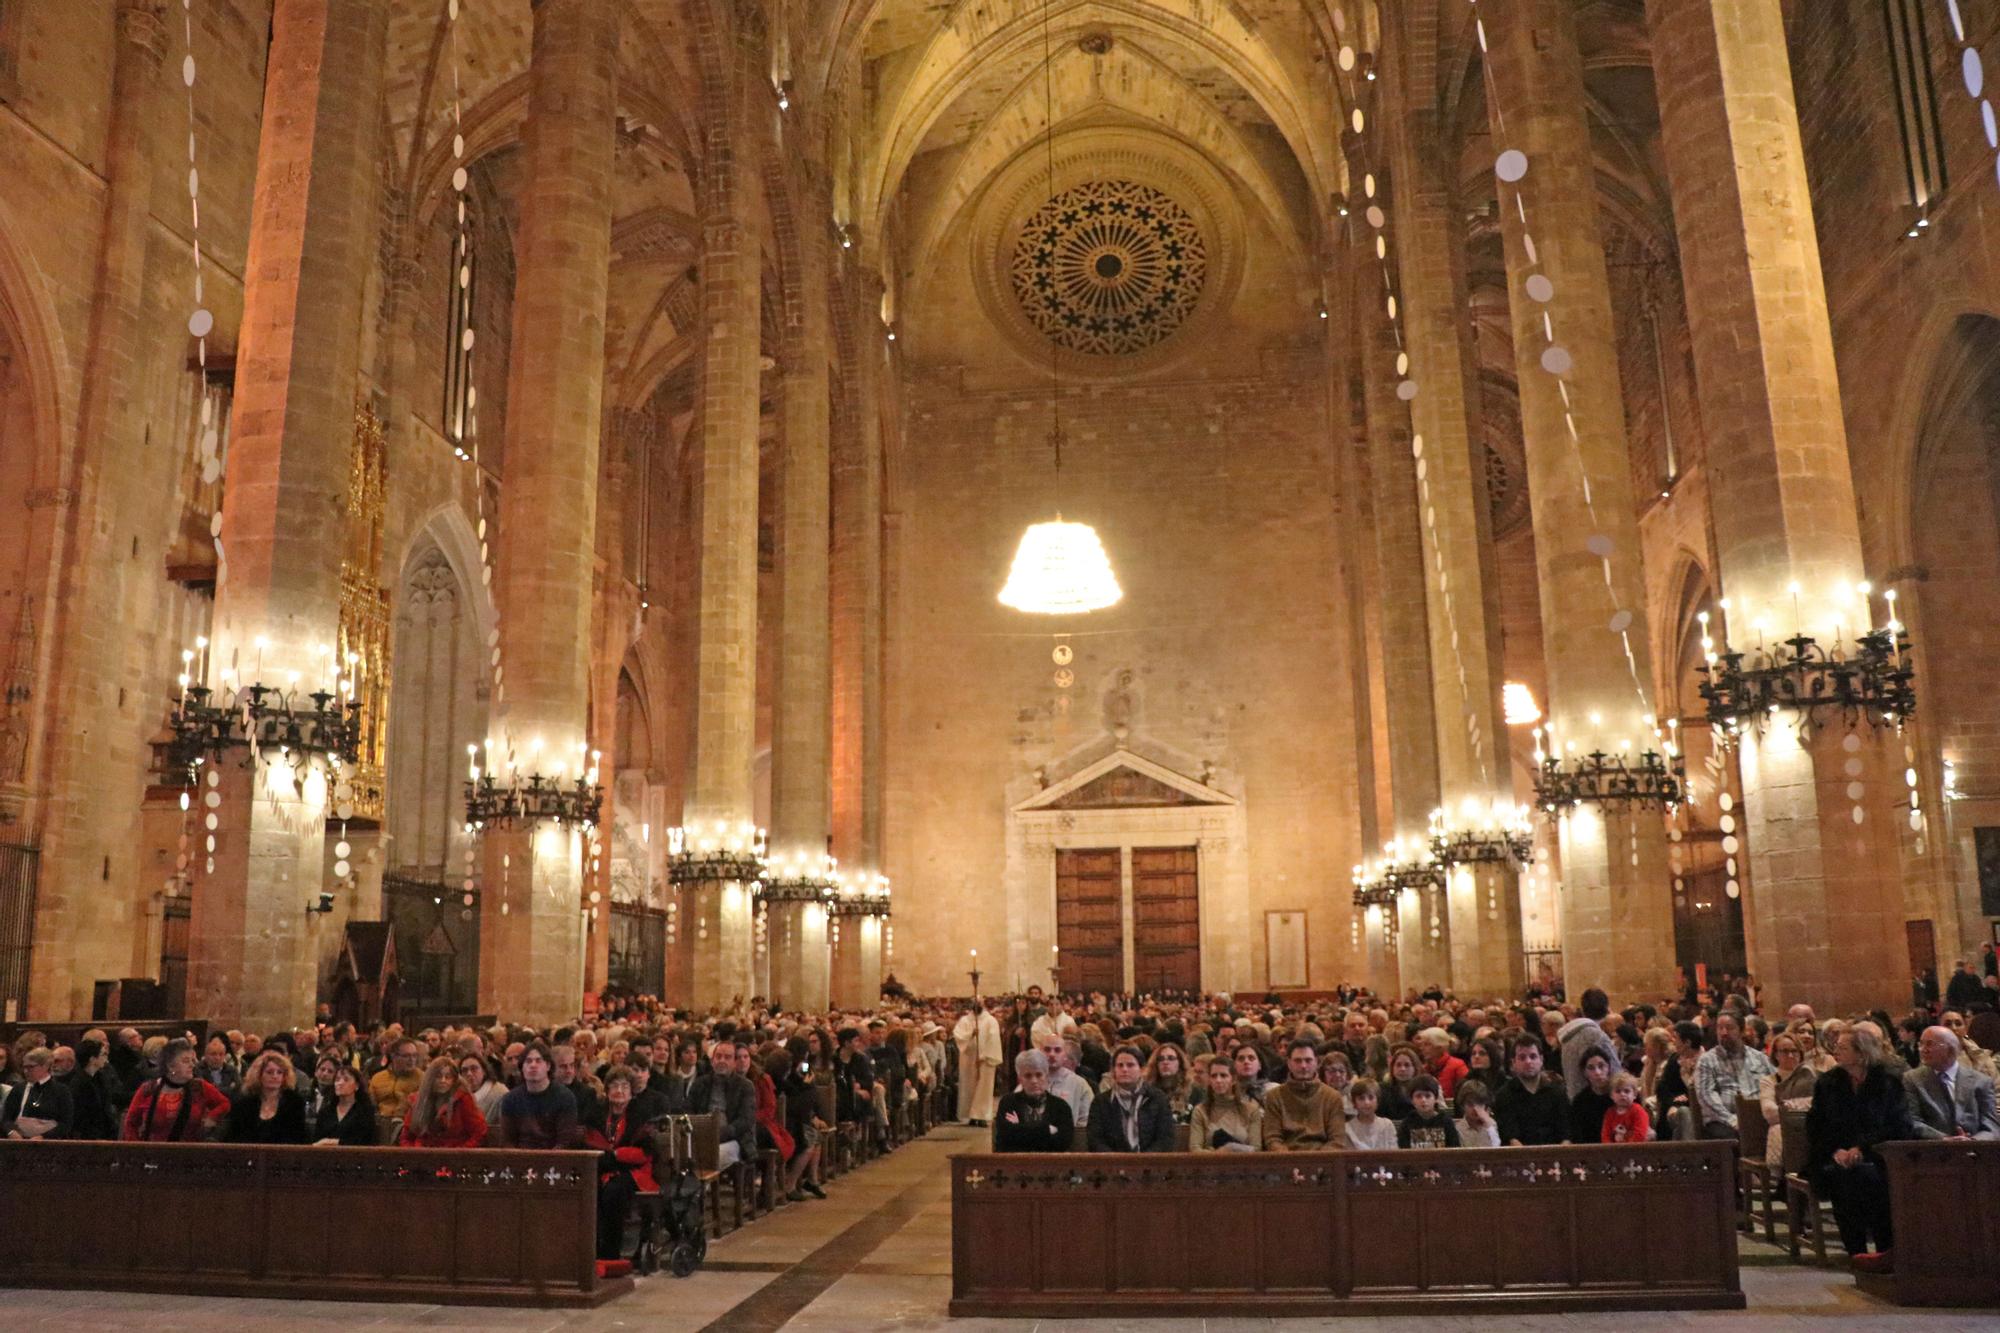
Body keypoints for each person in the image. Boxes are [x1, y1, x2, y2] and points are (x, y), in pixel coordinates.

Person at [1807, 1026, 1916, 1271]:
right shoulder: (1828, 1083)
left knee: (1873, 1177)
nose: (1836, 1051)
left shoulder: (1887, 1082)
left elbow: (1898, 1124)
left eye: (1843, 1048)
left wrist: (1863, 1148)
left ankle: (1885, 1248)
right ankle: (1855, 1250)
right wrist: (1835, 1150)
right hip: (1835, 1155)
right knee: (1843, 1177)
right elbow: (1817, 1125)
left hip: (1880, 1153)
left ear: (1862, 1053)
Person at [586, 1068, 657, 1260]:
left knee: (613, 1191)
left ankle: (610, 1253)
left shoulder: (641, 1114)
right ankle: (590, 1249)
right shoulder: (597, 1113)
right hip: (602, 1168)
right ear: (607, 1090)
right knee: (590, 1188)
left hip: (635, 1171)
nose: (619, 1090)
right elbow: (590, 1143)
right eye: (614, 1085)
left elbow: (645, 1152)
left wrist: (616, 1154)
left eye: (625, 1086)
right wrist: (611, 1157)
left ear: (632, 1091)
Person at [122, 1038, 230, 1141]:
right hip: (153, 1153)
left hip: (190, 1153)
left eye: (192, 1060)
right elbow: (130, 1123)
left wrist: (212, 1117)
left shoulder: (199, 1087)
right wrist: (137, 1148)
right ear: (170, 1066)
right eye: (185, 1061)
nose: (192, 1065)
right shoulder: (148, 1089)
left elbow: (224, 1103)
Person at [1905, 1025, 1999, 1140]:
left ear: (1950, 1049)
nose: (1923, 1049)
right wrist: (1945, 1140)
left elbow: (1992, 1126)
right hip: (1933, 1151)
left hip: (1975, 1152)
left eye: (1929, 1044)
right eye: (1921, 1044)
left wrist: (1973, 1141)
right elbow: (1913, 1121)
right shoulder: (1912, 1079)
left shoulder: (1982, 1081)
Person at [1693, 1011, 1772, 1140]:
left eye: (1729, 1028)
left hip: (1758, 1117)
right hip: (1722, 1121)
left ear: (1742, 1031)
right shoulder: (1707, 1060)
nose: (1724, 1032)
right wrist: (1732, 1120)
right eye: (1720, 1028)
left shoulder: (1760, 1058)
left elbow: (1775, 1085)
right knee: (1734, 1137)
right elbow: (1706, 1095)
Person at [1087, 1045, 1176, 1152]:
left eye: (1130, 1065)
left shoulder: (1157, 1098)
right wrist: (1116, 1161)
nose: (1124, 1069)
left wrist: (1144, 1161)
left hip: (1150, 1164)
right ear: (1113, 1071)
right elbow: (1095, 1140)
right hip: (1112, 1164)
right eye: (1120, 1065)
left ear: (1142, 1070)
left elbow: (1165, 1138)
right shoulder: (1101, 1101)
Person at [1261, 1039, 1345, 1151]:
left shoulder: (1332, 1097)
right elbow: (1272, 1138)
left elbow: (1337, 1140)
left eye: (1308, 1060)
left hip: (1324, 1161)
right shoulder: (1274, 1096)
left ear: (1317, 1062)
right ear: (1289, 1063)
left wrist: (1318, 1161)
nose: (1303, 1066)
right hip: (1286, 1161)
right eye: (1298, 1061)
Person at [686, 1038, 757, 1168]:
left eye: (727, 1057)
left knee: (714, 1154)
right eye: (718, 1056)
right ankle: (698, 1186)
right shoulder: (700, 1083)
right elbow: (689, 1111)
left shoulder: (745, 1086)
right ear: (712, 1061)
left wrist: (719, 1134)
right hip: (701, 1136)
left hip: (734, 1139)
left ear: (735, 1062)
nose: (722, 1061)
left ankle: (700, 1186)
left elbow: (745, 1121)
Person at [498, 1043, 584, 1149]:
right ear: (522, 1068)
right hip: (520, 1159)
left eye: (538, 1061)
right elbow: (507, 1141)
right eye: (528, 1061)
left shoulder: (565, 1097)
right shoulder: (510, 1099)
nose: (533, 1065)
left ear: (548, 1066)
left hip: (556, 1160)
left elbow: (565, 1141)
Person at [992, 1050, 1074, 1152]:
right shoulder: (1008, 1103)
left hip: (1050, 1165)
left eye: (1039, 1075)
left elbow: (1062, 1143)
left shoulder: (1061, 1107)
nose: (1034, 1081)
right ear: (1020, 1079)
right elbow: (1005, 1140)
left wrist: (1019, 1128)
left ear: (1047, 1076)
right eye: (1028, 1076)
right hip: (1015, 1165)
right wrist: (1047, 1129)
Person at [223, 1049, 310, 1144]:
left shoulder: (294, 1101)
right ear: (259, 1075)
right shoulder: (244, 1102)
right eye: (269, 1072)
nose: (275, 1076)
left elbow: (299, 1137)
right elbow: (234, 1137)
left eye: (279, 1072)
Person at [1493, 1038, 1569, 1146]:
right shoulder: (1504, 1095)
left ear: (1541, 1059)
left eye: (1533, 1056)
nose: (1528, 1062)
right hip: (1520, 1157)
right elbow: (1510, 1137)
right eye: (1522, 1057)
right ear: (1513, 1062)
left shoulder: (1557, 1092)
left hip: (1556, 1155)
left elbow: (1566, 1133)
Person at [400, 1056, 488, 1147]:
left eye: (448, 1077)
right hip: (422, 1155)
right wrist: (412, 1154)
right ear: (430, 1079)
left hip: (454, 1155)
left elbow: (479, 1132)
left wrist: (462, 1152)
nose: (443, 1080)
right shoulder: (418, 1101)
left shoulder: (463, 1099)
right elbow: (406, 1137)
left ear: (454, 1080)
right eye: (438, 1076)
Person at [1759, 1030, 1817, 1166]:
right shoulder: (1769, 1081)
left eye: (1794, 1051)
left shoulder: (1810, 1075)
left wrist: (1787, 1106)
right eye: (1784, 1051)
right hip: (1786, 1131)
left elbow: (1819, 1105)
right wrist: (1803, 1107)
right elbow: (1769, 1112)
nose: (1790, 1055)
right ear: (1775, 1054)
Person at [1189, 1057, 1261, 1152]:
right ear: (1209, 1080)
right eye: (1214, 1076)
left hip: (1244, 1164)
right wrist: (1219, 1154)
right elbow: (1195, 1148)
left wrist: (1231, 1147)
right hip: (1210, 1164)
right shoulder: (1200, 1110)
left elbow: (1256, 1149)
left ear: (1233, 1079)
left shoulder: (1251, 1110)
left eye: (1223, 1076)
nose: (1218, 1080)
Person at [1558, 988, 1620, 1097]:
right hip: (1594, 1099)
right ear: (1606, 1009)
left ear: (1582, 1009)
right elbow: (1615, 1072)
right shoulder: (1596, 1035)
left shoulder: (1569, 1035)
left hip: (1575, 1097)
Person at [1, 1047, 73, 1139]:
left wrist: (43, 1137)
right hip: (19, 1142)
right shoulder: (19, 1089)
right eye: (24, 1067)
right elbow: (6, 1118)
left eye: (30, 1067)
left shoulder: (61, 1091)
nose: (26, 1071)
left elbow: (65, 1124)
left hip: (50, 1145)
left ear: (46, 1066)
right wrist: (11, 1131)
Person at [953, 1001, 1002, 1127]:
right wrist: (970, 1034)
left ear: (983, 1004)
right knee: (969, 1086)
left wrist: (984, 1055)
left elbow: (994, 1039)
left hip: (985, 1060)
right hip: (968, 1058)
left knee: (983, 1088)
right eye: (975, 1002)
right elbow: (958, 1035)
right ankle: (971, 1115)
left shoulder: (991, 1020)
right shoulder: (965, 1020)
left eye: (979, 1003)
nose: (977, 1005)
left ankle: (982, 1116)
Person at [62, 1039, 119, 1140]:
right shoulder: (79, 1083)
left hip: (104, 1134)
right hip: (89, 1138)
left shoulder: (100, 1078)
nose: (106, 1059)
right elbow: (81, 1117)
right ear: (92, 1059)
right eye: (103, 1054)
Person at [312, 1065, 378, 1146]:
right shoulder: (325, 1112)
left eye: (346, 1080)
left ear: (357, 1086)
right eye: (337, 1079)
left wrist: (334, 1142)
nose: (340, 1083)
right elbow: (317, 1140)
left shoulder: (365, 1111)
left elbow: (365, 1141)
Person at [1567, 1049, 1616, 1146]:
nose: (1597, 1072)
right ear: (1585, 1072)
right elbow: (1577, 1136)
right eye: (1591, 1068)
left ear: (1609, 1067)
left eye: (1601, 1066)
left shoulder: (1622, 1094)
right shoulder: (1580, 1101)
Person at [1397, 1074, 1459, 1149]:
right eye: (1418, 1096)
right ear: (1412, 1100)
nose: (1423, 1100)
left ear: (1435, 1098)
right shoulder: (1407, 1124)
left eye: (1428, 1096)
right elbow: (1403, 1151)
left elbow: (1454, 1149)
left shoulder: (1446, 1122)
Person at [369, 1038, 423, 1121]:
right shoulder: (377, 1078)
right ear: (393, 1056)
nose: (412, 1060)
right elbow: (371, 1105)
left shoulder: (422, 1078)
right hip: (381, 1122)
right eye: (406, 1056)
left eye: (414, 1055)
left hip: (408, 1122)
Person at [1344, 1077, 1397, 1150]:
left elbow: (1394, 1153)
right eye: (1361, 1098)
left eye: (1371, 1097)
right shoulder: (1347, 1128)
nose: (1367, 1102)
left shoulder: (1387, 1125)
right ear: (1354, 1103)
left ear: (1377, 1101)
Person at [1143, 1042, 1194, 1117]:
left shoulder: (1194, 1090)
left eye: (1171, 1058)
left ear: (1180, 1063)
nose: (1165, 1062)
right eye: (1161, 1059)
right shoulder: (1147, 1091)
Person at [1418, 1029, 1468, 1100]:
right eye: (1421, 1044)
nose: (1422, 1048)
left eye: (1427, 1044)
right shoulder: (1424, 1068)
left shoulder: (1457, 1065)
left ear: (1440, 1047)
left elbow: (1466, 1093)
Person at [1601, 1072, 1651, 1143]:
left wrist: (1625, 1147)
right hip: (1614, 1150)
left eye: (1627, 1091)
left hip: (1635, 1149)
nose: (1622, 1094)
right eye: (1618, 1091)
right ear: (1611, 1096)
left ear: (1634, 1095)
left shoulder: (1638, 1111)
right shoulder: (1609, 1113)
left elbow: (1640, 1134)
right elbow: (1605, 1135)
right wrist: (1609, 1149)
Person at [459, 1051, 507, 1122]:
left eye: (474, 1068)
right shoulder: (458, 1096)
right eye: (464, 1070)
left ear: (484, 1071)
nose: (469, 1073)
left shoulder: (500, 1094)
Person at [1453, 1082, 1501, 1148]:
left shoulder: (1492, 1124)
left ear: (1485, 1105)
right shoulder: (1457, 1129)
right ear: (1462, 1106)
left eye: (1480, 1104)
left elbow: (1497, 1150)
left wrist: (1489, 1127)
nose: (1475, 1109)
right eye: (1470, 1104)